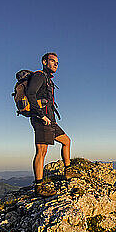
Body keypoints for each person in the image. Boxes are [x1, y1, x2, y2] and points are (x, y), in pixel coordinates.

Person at [26, 52, 79, 197]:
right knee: (42, 151)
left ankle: (68, 171)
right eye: (52, 61)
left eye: (57, 62)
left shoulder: (48, 80)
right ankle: (39, 186)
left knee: (66, 141)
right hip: (42, 119)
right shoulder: (39, 76)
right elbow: (30, 94)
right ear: (44, 62)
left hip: (51, 120)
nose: (56, 64)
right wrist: (41, 115)